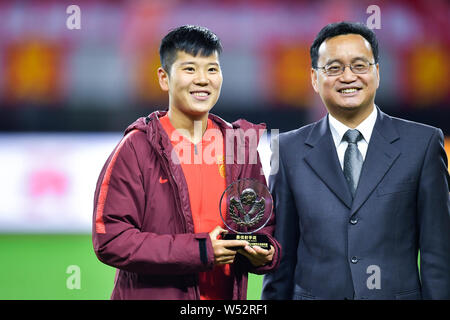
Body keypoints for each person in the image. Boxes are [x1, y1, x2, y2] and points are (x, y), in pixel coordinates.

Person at [261, 21, 450, 300]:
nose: (348, 77)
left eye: (359, 66)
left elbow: (438, 257)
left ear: (377, 72)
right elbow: (282, 259)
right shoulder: (288, 150)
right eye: (334, 68)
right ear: (314, 78)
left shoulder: (421, 144)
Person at [92, 25, 280, 300]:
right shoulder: (137, 147)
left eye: (212, 69)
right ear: (164, 78)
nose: (203, 79)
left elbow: (263, 226)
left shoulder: (239, 147)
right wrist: (201, 251)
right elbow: (111, 239)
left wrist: (265, 252)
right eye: (190, 69)